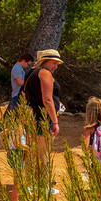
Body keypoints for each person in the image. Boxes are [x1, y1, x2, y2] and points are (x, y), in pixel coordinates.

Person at [21, 49, 63, 181]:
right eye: (53, 63)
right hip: (42, 118)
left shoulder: (30, 72)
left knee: (31, 152)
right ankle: (44, 184)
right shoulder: (45, 73)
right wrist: (55, 122)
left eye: (57, 64)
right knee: (43, 153)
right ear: (45, 61)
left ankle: (28, 181)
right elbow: (47, 99)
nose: (55, 66)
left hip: (32, 116)